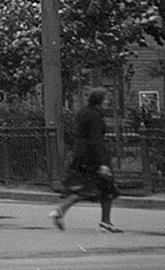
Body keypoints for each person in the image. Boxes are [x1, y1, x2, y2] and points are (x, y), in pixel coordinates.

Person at [52, 87, 121, 232]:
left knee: (89, 187)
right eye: (106, 99)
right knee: (100, 187)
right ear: (99, 100)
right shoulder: (95, 116)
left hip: (81, 155)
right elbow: (96, 140)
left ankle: (62, 211)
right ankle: (104, 221)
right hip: (93, 157)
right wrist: (103, 163)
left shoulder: (83, 112)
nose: (108, 102)